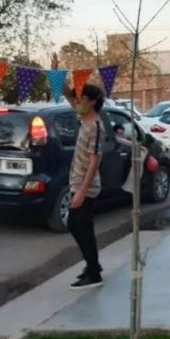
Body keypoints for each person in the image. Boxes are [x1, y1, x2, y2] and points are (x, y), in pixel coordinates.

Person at [68, 84, 106, 290]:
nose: (77, 102)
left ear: (92, 101)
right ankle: (93, 267)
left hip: (87, 186)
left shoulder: (96, 127)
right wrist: (56, 74)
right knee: (80, 227)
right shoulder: (84, 119)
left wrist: (82, 192)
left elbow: (94, 162)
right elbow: (68, 95)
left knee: (78, 225)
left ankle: (93, 271)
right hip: (76, 182)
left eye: (82, 98)